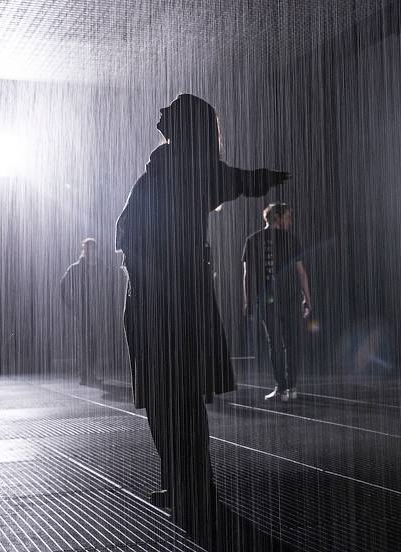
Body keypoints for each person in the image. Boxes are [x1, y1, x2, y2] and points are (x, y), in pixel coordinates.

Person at [116, 94, 289, 549]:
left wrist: (144, 270)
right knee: (180, 398)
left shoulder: (173, 167)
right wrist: (263, 179)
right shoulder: (187, 168)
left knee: (166, 399)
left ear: (183, 123)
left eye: (169, 109)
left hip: (160, 303)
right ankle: (189, 486)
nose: (159, 113)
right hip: (179, 300)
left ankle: (186, 486)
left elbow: (127, 231)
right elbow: (236, 181)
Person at [242, 203, 312, 401]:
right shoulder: (290, 240)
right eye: (288, 217)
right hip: (290, 297)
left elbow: (247, 276)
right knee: (291, 342)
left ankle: (281, 387)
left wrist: (248, 302)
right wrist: (307, 299)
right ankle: (291, 388)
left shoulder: (252, 240)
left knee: (275, 343)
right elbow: (301, 272)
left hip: (266, 300)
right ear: (277, 218)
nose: (289, 222)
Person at [60, 238, 122, 385]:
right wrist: (73, 306)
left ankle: (90, 374)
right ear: (84, 250)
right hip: (83, 312)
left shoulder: (101, 267)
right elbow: (63, 287)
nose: (92, 252)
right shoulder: (77, 268)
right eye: (89, 249)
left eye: (94, 249)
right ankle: (84, 375)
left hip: (97, 311)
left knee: (93, 343)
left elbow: (109, 284)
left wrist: (107, 303)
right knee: (85, 343)